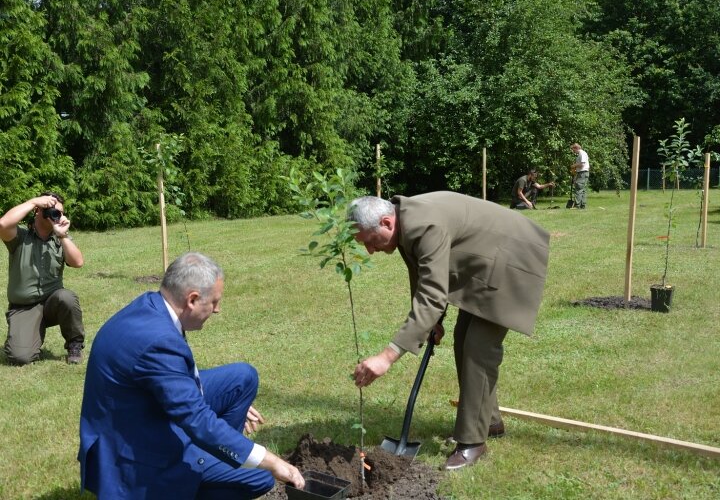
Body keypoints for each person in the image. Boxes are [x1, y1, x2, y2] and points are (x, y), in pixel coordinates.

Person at [78, 252, 305, 499]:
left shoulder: (151, 307)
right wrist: (272, 461)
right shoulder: (158, 341)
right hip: (133, 453)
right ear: (192, 300)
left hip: (140, 411)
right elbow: (196, 419)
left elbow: (171, 383)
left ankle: (214, 453)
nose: (217, 310)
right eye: (214, 302)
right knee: (258, 476)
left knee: (241, 378)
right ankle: (191, 473)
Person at [349, 192, 550, 471]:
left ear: (386, 222)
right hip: (484, 258)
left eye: (370, 241)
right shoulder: (404, 221)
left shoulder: (423, 225)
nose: (370, 250)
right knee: (463, 340)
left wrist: (387, 356)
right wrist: (433, 322)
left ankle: (472, 442)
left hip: (510, 256)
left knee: (478, 349)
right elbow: (423, 277)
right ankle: (489, 421)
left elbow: (431, 297)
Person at [0, 192, 85, 365]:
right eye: (51, 209)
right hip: (24, 307)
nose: (55, 214)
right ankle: (27, 332)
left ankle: (74, 344)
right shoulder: (21, 238)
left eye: (59, 212)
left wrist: (63, 235)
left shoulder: (60, 239)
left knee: (67, 297)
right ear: (38, 210)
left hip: (52, 303)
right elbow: (3, 223)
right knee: (19, 357)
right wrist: (32, 201)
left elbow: (77, 262)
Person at [570, 143, 590, 209]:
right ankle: (582, 205)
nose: (573, 151)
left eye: (573, 150)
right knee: (582, 189)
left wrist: (574, 166)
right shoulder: (581, 154)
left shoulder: (582, 153)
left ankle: (577, 205)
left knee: (579, 188)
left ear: (576, 148)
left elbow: (582, 164)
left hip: (583, 173)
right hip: (582, 173)